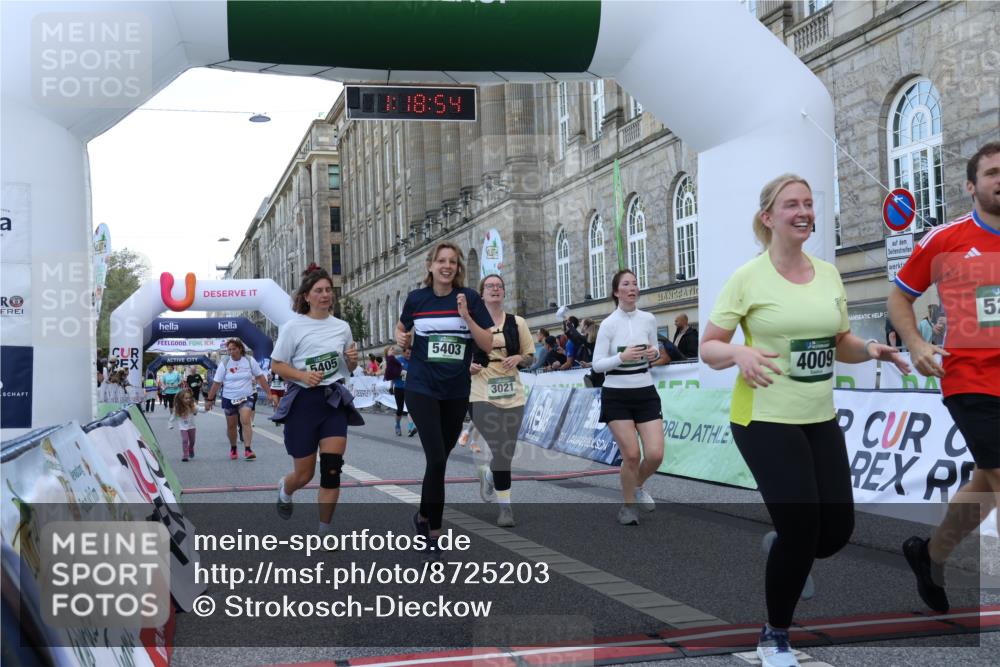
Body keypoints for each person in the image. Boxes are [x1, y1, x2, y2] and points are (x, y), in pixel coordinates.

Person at [700, 174, 909, 667]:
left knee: (834, 532)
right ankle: (774, 635)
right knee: (801, 530)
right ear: (768, 217)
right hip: (764, 419)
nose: (804, 211)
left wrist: (873, 349)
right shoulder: (747, 278)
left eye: (810, 204)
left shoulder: (828, 274)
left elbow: (841, 344)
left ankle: (785, 546)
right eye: (792, 204)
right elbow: (709, 347)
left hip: (819, 417)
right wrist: (739, 353)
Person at [888, 142, 1000, 614]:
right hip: (970, 376)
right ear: (971, 186)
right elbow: (899, 298)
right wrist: (915, 344)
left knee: (988, 484)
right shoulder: (946, 239)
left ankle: (931, 554)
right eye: (993, 172)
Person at [395, 242, 493, 558]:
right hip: (422, 388)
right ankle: (434, 532)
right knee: (436, 458)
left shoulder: (470, 299)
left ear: (457, 267)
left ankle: (422, 515)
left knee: (440, 460)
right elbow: (401, 329)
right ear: (431, 265)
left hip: (455, 390)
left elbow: (487, 342)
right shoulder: (416, 299)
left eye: (452, 262)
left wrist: (466, 316)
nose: (447, 266)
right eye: (441, 261)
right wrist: (401, 337)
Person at [270, 264, 362, 536]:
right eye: (318, 291)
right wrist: (301, 374)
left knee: (332, 469)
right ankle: (285, 490)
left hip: (332, 400)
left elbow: (349, 368)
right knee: (304, 474)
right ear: (307, 296)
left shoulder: (342, 327)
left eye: (328, 290)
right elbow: (277, 365)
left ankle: (324, 531)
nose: (325, 295)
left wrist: (352, 362)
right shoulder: (293, 327)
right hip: (303, 404)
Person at [590, 269, 664, 526]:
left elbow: (655, 353)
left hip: (645, 391)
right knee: (631, 454)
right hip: (616, 395)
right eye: (626, 284)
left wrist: (654, 353)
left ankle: (638, 484)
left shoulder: (649, 319)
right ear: (616, 291)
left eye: (635, 283)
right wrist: (621, 357)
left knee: (655, 455)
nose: (632, 288)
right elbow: (597, 365)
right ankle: (628, 506)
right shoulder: (609, 324)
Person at [468, 273, 534, 527]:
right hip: (481, 391)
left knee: (506, 450)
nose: (495, 289)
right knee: (499, 447)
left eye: (499, 286)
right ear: (482, 293)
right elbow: (460, 356)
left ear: (504, 292)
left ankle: (489, 474)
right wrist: (468, 367)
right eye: (489, 286)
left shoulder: (517, 323)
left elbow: (530, 356)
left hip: (512, 392)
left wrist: (518, 359)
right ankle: (505, 508)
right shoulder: (471, 323)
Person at [205, 339, 274, 460]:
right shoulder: (225, 362)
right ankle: (233, 448)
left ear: (240, 349)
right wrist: (209, 400)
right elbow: (216, 383)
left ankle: (248, 449)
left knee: (246, 420)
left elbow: (260, 377)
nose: (231, 352)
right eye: (229, 349)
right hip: (229, 397)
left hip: (246, 396)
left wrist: (269, 393)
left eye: (234, 349)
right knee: (231, 426)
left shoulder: (249, 360)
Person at [385, 346, 415, 437]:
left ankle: (410, 428)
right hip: (399, 388)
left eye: (411, 353)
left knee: (411, 409)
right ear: (403, 352)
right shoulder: (398, 360)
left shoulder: (414, 362)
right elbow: (392, 374)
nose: (409, 355)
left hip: (409, 388)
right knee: (400, 410)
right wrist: (391, 386)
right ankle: (397, 425)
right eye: (407, 353)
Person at [173, 388, 198, 462]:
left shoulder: (192, 405)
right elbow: (173, 416)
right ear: (181, 399)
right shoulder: (178, 407)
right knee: (185, 440)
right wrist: (170, 424)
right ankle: (185, 455)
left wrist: (206, 409)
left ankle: (191, 448)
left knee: (192, 441)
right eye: (186, 398)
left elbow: (199, 410)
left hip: (192, 427)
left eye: (189, 398)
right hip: (183, 427)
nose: (188, 400)